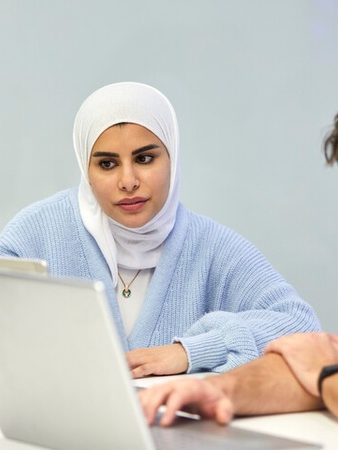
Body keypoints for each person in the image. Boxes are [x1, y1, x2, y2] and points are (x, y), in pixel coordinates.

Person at [0, 81, 321, 377]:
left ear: (172, 158)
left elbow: (302, 326)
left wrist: (190, 352)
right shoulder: (35, 233)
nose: (128, 181)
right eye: (107, 164)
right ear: (84, 168)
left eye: (145, 159)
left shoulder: (213, 247)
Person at [139, 112, 338, 424]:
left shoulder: (209, 240)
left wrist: (325, 376)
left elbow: (315, 358)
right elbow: (307, 365)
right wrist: (219, 390)